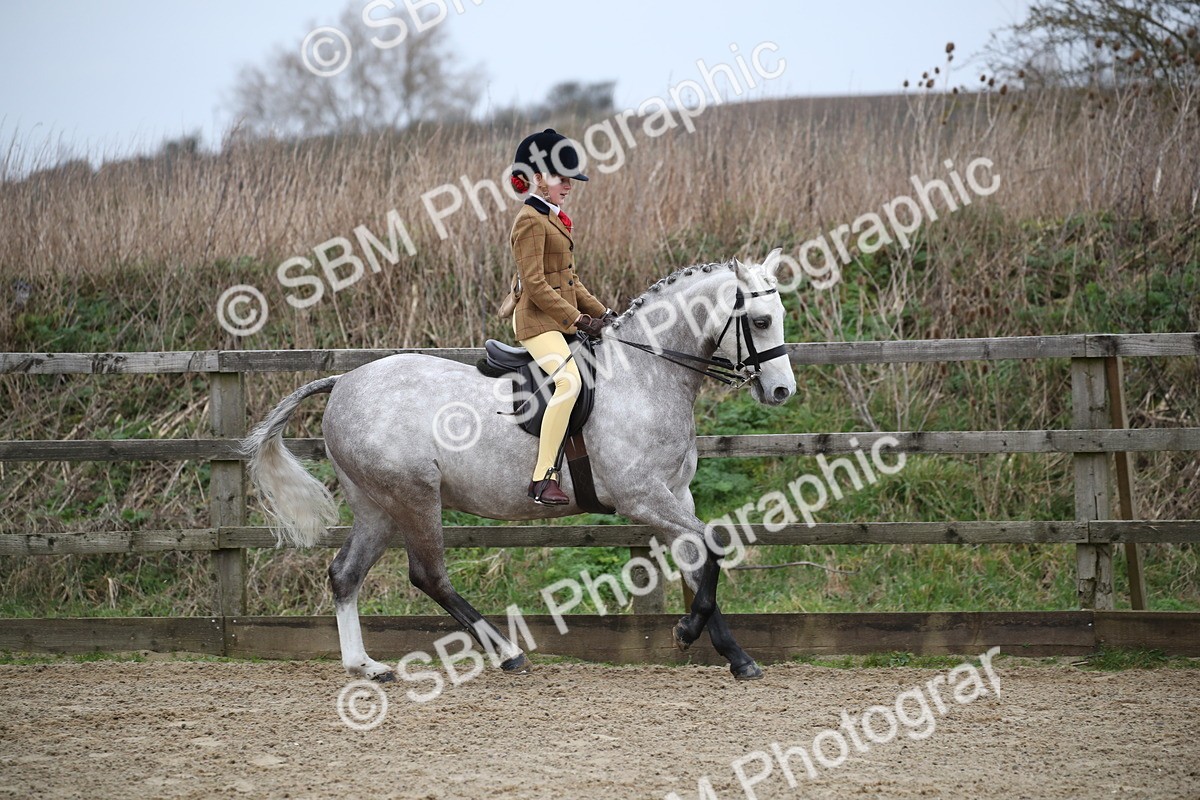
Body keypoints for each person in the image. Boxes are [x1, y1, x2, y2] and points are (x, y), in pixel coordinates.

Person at [508, 128, 614, 505]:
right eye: (560, 178)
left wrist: (606, 315)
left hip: (558, 319)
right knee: (569, 381)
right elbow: (536, 284)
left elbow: (570, 280)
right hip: (537, 324)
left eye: (570, 179)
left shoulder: (552, 217)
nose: (568, 185)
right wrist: (579, 321)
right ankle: (542, 478)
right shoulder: (530, 220)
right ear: (538, 178)